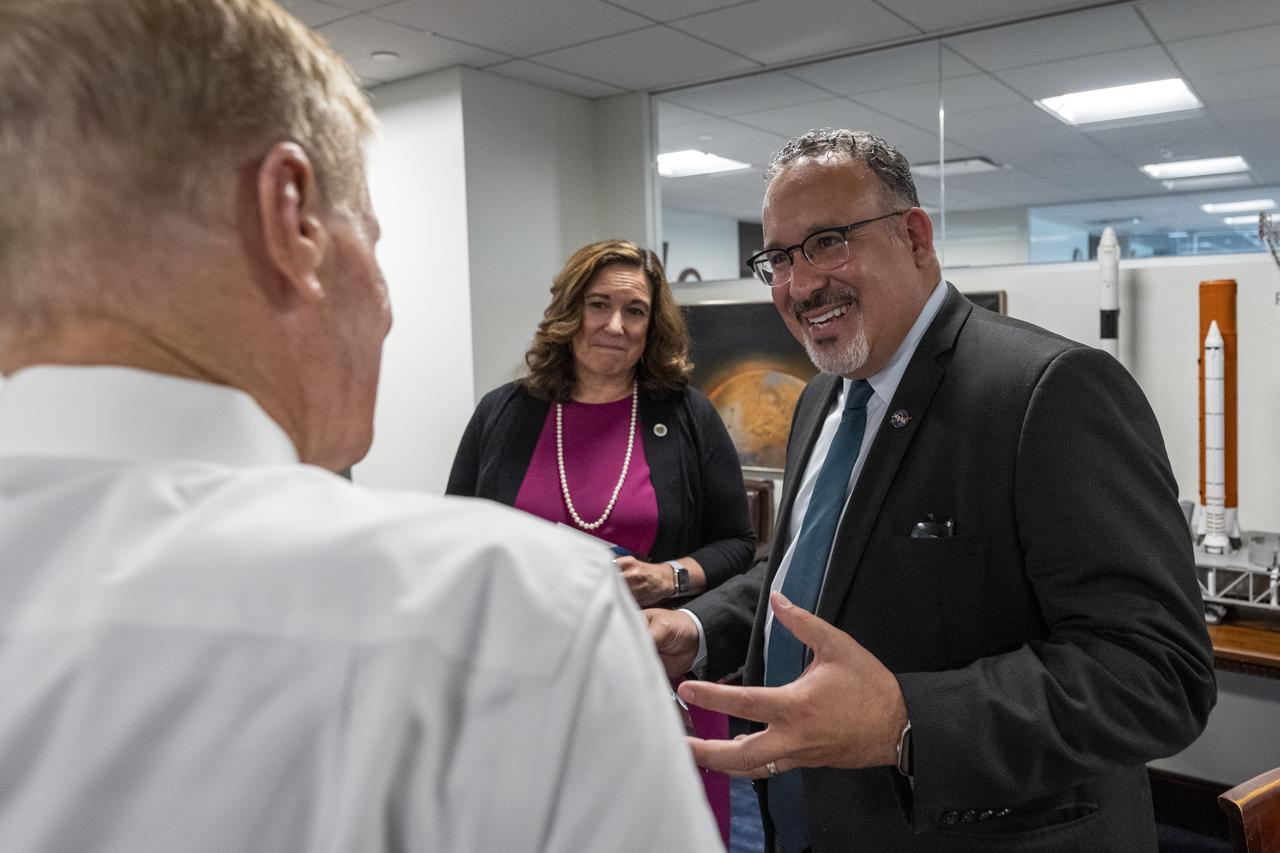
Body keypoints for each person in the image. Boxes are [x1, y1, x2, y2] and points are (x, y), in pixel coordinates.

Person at [0, 2, 723, 851]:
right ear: (293, 218)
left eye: (634, 311)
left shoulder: (670, 427)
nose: (384, 311)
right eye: (373, 242)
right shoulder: (510, 611)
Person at [646, 128, 1217, 853]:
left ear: (914, 236)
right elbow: (815, 576)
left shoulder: (1049, 392)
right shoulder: (823, 398)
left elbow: (1159, 672)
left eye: (826, 241)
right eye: (778, 259)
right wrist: (695, 630)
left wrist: (906, 718)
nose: (799, 284)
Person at [446, 239, 756, 842]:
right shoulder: (503, 414)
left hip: (655, 673)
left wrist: (670, 577)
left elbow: (738, 543)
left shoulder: (688, 416)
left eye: (634, 310)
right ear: (570, 313)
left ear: (651, 323)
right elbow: (456, 540)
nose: (615, 325)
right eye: (598, 305)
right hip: (525, 680)